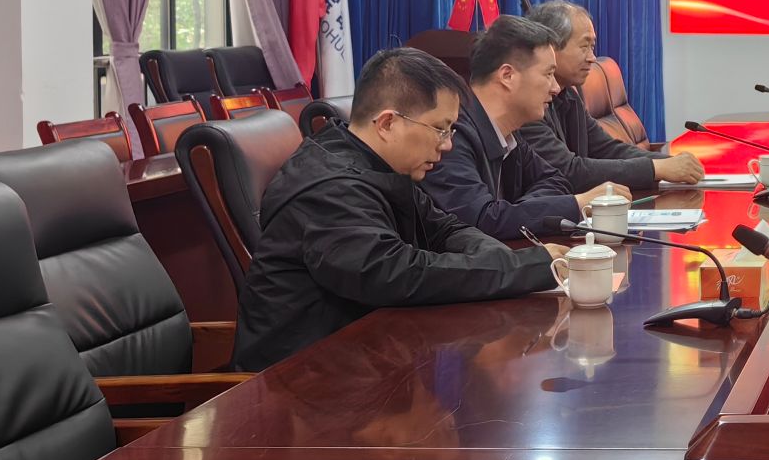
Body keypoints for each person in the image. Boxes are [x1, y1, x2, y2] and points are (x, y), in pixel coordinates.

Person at [231, 47, 564, 373]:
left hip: (361, 361)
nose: (448, 144)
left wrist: (502, 261)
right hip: (297, 381)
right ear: (388, 123)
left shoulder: (379, 167)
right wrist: (525, 267)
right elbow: (396, 273)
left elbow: (446, 228)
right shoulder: (330, 188)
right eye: (440, 128)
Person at [421, 14, 629, 241]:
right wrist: (578, 203)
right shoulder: (452, 136)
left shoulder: (510, 134)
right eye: (548, 74)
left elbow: (555, 179)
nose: (555, 87)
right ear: (507, 76)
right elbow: (480, 221)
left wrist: (515, 212)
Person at [521, 0, 704, 192]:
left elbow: (607, 149)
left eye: (592, 47)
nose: (592, 57)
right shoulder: (527, 107)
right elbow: (567, 171)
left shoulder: (570, 96)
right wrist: (655, 168)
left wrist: (672, 163)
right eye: (584, 47)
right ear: (550, 48)